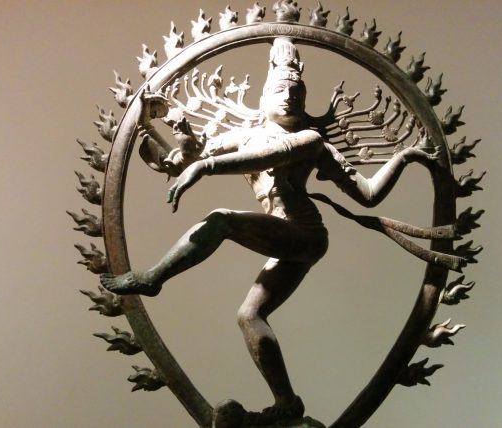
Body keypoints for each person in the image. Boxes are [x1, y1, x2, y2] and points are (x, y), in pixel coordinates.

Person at [101, 38, 437, 425]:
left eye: (297, 92)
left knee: (222, 220)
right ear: (263, 97)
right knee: (250, 315)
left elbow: (366, 193)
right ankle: (287, 403)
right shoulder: (243, 136)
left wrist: (403, 157)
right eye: (281, 90)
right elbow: (193, 156)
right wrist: (173, 134)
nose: (290, 97)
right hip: (282, 239)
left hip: (304, 233)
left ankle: (152, 279)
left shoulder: (312, 141)